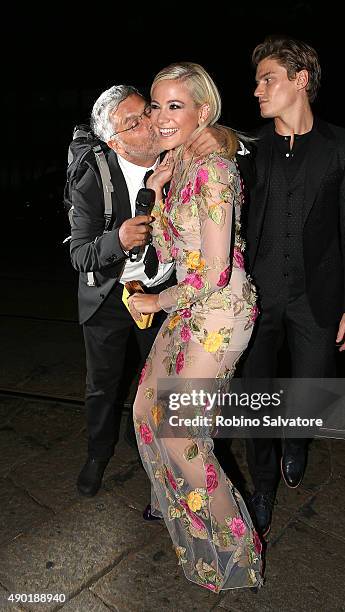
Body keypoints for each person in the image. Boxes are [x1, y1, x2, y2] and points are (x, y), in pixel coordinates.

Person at [129, 63, 263, 592]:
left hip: (219, 312)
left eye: (175, 106)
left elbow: (212, 271)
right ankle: (185, 516)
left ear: (203, 111)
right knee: (145, 411)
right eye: (157, 105)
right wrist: (159, 192)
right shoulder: (177, 162)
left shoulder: (214, 169)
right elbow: (167, 251)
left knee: (180, 434)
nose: (161, 117)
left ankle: (235, 554)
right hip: (189, 305)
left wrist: (155, 299)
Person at [69, 85, 229, 497]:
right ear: (114, 141)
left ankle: (152, 450)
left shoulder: (179, 152)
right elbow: (81, 255)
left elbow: (241, 149)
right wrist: (118, 240)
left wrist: (226, 137)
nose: (151, 123)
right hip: (110, 295)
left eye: (148, 110)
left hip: (164, 294)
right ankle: (96, 454)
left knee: (161, 383)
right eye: (133, 122)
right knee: (102, 384)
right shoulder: (92, 178)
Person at [241, 35, 345, 539]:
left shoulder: (344, 146)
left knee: (310, 391)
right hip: (257, 298)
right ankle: (264, 486)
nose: (257, 89)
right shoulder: (250, 148)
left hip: (316, 297)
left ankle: (296, 441)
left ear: (300, 81)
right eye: (256, 81)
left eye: (267, 78)